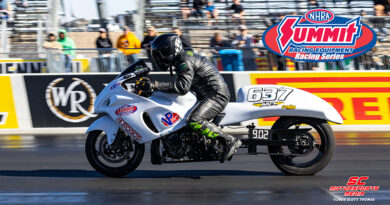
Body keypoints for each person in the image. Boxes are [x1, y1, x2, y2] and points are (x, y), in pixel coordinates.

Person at [142, 34, 242, 162]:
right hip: (206, 95)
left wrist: (155, 85)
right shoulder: (182, 60)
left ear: (171, 49)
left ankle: (229, 140)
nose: (160, 57)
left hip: (216, 94)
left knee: (195, 120)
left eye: (162, 53)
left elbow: (182, 87)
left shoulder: (184, 61)